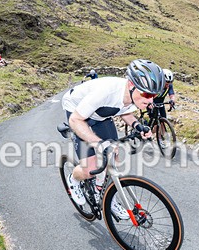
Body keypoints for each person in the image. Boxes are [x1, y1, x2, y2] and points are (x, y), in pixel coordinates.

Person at [62, 59, 163, 217]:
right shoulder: (106, 92)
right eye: (147, 94)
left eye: (154, 95)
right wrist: (98, 143)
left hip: (100, 115)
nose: (151, 100)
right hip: (77, 112)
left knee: (113, 157)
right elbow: (75, 120)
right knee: (90, 169)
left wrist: (138, 126)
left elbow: (124, 111)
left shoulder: (135, 95)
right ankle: (73, 180)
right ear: (131, 85)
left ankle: (104, 195)